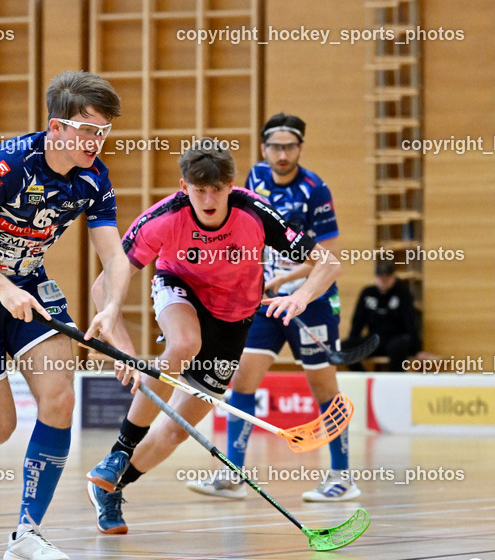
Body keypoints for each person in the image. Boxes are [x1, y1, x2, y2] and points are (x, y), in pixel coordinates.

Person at [0, 70, 131, 560]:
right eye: (87, 129)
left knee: (60, 397)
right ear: (56, 127)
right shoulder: (8, 165)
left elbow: (116, 256)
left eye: (103, 130)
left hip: (29, 280)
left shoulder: (93, 177)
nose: (95, 141)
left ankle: (27, 533)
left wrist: (111, 308)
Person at [85, 138, 341, 534]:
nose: (208, 200)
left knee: (176, 430)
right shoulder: (163, 219)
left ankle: (113, 487)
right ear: (183, 186)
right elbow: (105, 286)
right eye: (198, 190)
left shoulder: (254, 212)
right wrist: (126, 353)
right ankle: (118, 454)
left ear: (231, 184)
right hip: (179, 291)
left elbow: (326, 262)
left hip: (234, 318)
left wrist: (303, 298)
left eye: (217, 190)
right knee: (185, 343)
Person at [187, 113, 359, 503]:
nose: (282, 154)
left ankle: (342, 476)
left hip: (309, 301)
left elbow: (329, 257)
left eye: (290, 147)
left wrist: (282, 282)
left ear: (300, 148)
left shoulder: (316, 190)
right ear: (264, 148)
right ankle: (233, 475)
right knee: (243, 380)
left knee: (323, 388)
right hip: (263, 302)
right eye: (275, 147)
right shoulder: (256, 179)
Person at [345, 259, 421, 371]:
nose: (383, 281)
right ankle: (364, 379)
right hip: (374, 340)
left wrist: (416, 350)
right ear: (375, 278)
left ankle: (394, 382)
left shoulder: (402, 293)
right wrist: (353, 341)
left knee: (398, 346)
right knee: (345, 347)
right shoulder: (367, 293)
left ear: (393, 277)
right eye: (381, 278)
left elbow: (410, 321)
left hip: (395, 339)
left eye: (387, 278)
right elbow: (358, 320)